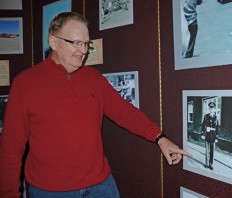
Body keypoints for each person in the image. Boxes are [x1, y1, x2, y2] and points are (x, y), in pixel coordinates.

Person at [0, 12, 192, 197]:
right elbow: (11, 148)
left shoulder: (94, 78)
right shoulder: (25, 83)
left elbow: (125, 113)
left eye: (86, 44)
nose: (83, 50)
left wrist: (160, 138)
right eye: (76, 43)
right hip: (49, 191)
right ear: (53, 42)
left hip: (100, 186)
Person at [201, 102, 219, 170]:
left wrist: (217, 137)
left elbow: (217, 128)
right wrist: (203, 133)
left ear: (214, 109)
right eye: (210, 108)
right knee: (207, 150)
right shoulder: (206, 116)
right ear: (209, 108)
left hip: (213, 136)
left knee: (212, 151)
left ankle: (211, 164)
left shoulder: (216, 117)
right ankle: (206, 163)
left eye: (213, 108)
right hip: (207, 135)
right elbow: (203, 125)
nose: (211, 109)